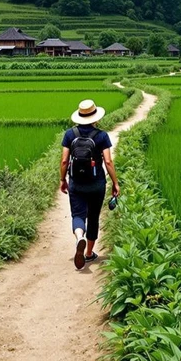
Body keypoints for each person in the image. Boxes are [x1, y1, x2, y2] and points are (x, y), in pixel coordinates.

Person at [60, 99, 120, 270]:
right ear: (95, 117)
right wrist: (115, 183)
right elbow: (108, 162)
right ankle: (88, 253)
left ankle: (80, 237)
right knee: (93, 217)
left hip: (76, 183)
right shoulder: (101, 136)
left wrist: (63, 180)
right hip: (96, 184)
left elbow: (64, 161)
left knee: (78, 215)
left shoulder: (69, 134)